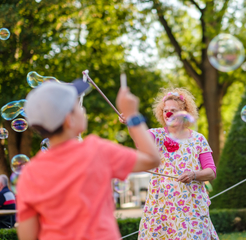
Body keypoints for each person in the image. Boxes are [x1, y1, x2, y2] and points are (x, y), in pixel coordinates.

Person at [16, 79, 160, 240]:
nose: (82, 108)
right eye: (77, 106)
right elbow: (152, 159)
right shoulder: (97, 150)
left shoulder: (30, 173)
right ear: (68, 120)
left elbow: (27, 235)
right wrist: (132, 114)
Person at [120, 88, 219, 240]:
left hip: (191, 207)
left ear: (184, 112)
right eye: (166, 110)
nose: (168, 113)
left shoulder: (198, 139)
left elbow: (211, 172)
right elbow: (141, 141)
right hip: (161, 206)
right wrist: (132, 122)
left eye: (173, 110)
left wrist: (194, 174)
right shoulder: (157, 135)